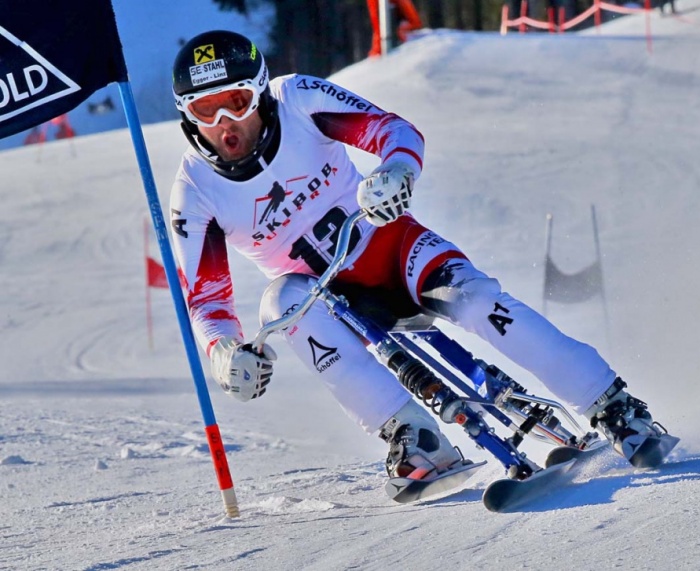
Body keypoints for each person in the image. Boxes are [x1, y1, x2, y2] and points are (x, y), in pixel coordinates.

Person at [169, 30, 672, 487]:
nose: (224, 126)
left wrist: (396, 172)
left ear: (259, 91)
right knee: (278, 303)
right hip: (326, 299)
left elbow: (393, 131)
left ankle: (613, 406)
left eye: (235, 103)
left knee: (478, 304)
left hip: (389, 249)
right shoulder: (194, 192)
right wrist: (223, 353)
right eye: (204, 111)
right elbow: (207, 302)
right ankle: (414, 437)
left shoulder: (297, 98)